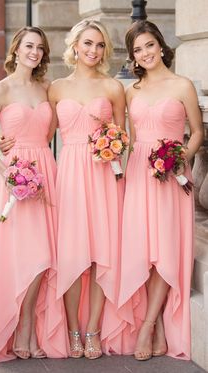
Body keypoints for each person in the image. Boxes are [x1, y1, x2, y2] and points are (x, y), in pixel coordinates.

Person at [0, 26, 68, 362]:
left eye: (40, 48)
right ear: (16, 49)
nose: (35, 52)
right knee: (22, 255)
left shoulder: (47, 88)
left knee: (45, 255)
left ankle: (28, 326)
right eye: (29, 46)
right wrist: (7, 172)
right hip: (16, 179)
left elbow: (55, 130)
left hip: (46, 171)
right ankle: (17, 330)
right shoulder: (0, 90)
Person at [118, 20, 203, 361]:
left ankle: (149, 325)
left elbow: (196, 132)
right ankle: (155, 324)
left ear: (161, 45)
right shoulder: (131, 91)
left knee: (165, 251)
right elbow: (129, 139)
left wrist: (181, 158)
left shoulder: (182, 85)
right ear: (133, 56)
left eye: (149, 45)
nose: (145, 53)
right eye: (137, 49)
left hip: (170, 177)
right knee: (144, 251)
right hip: (139, 173)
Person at [48, 19, 126, 359]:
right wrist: (11, 143)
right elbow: (43, 132)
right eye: (88, 44)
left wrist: (112, 144)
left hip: (101, 175)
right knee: (70, 256)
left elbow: (124, 139)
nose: (93, 50)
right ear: (75, 46)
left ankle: (93, 330)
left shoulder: (113, 88)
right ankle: (71, 330)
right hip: (69, 175)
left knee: (98, 257)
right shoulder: (56, 88)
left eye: (99, 45)